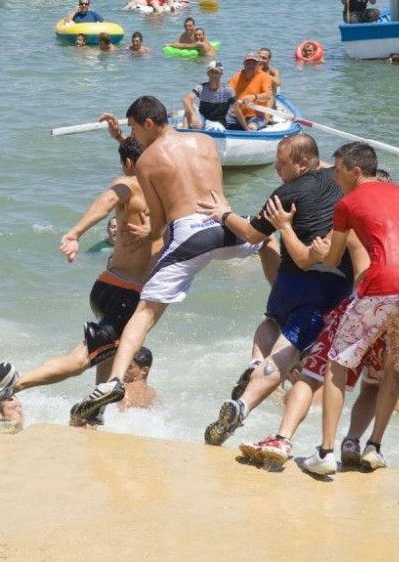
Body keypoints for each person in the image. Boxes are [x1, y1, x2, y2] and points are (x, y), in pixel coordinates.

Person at [69, 96, 262, 422]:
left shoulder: (145, 162)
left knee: (143, 312)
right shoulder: (205, 141)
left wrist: (149, 231)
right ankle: (267, 348)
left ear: (146, 123)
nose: (134, 135)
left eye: (133, 127)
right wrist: (119, 138)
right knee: (267, 241)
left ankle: (114, 381)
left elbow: (160, 220)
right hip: (226, 220)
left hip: (190, 233)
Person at [0, 137, 158, 422]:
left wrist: (77, 233)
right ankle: (14, 384)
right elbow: (108, 200)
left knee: (106, 353)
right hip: (126, 295)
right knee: (81, 359)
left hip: (107, 284)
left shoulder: (137, 187)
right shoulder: (146, 188)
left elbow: (111, 202)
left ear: (128, 161)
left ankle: (95, 414)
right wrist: (76, 232)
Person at [199, 134, 354, 447]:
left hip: (289, 281)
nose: (275, 168)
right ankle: (243, 406)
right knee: (290, 349)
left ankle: (256, 364)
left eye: (281, 163)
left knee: (271, 322)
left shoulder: (287, 192)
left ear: (300, 163)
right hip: (328, 286)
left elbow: (252, 233)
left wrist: (224, 214)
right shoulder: (338, 178)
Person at [238, 170, 397, 466]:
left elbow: (308, 258)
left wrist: (285, 227)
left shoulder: (352, 220)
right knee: (377, 383)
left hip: (363, 303)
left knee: (313, 376)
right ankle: (363, 445)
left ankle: (289, 441)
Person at [299, 142, 399, 477]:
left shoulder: (346, 203)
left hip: (382, 287)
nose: (335, 176)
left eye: (338, 169)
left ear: (355, 170)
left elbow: (333, 260)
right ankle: (374, 447)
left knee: (337, 362)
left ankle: (326, 451)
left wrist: (318, 251)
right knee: (395, 367)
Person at [181, 60, 236, 129]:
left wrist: (246, 128)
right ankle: (183, 134)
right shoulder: (201, 87)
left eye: (216, 72)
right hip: (203, 118)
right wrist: (193, 115)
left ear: (221, 74)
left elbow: (237, 110)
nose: (214, 75)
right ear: (208, 73)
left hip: (217, 121)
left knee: (214, 129)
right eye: (211, 72)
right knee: (187, 112)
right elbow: (186, 99)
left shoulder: (227, 90)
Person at [226, 52, 274, 131]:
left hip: (256, 116)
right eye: (248, 63)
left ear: (258, 64)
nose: (250, 65)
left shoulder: (264, 77)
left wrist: (254, 97)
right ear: (244, 63)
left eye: (253, 63)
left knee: (251, 127)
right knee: (218, 122)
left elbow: (268, 95)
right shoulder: (236, 76)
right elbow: (227, 92)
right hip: (236, 114)